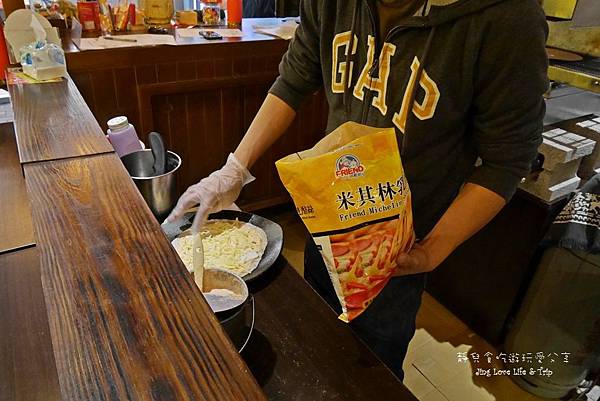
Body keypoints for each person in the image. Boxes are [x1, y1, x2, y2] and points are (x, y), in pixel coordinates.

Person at [166, 0, 548, 380]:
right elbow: (295, 78)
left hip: (397, 248)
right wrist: (234, 169)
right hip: (328, 218)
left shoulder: (506, 18)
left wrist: (434, 250)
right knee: (316, 341)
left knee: (372, 366)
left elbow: (507, 160)